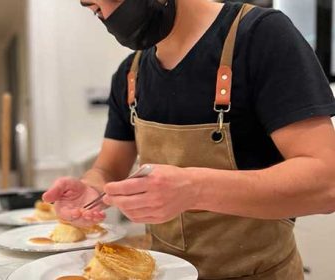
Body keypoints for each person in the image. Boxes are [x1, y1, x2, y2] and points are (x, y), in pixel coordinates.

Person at [43, 0, 335, 279]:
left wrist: (194, 189)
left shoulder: (260, 36)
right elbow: (108, 170)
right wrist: (90, 191)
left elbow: (326, 183)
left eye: (116, 1)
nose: (108, 16)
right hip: (161, 272)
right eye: (95, 9)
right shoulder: (130, 76)